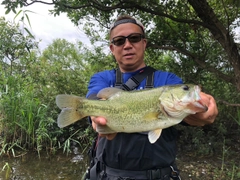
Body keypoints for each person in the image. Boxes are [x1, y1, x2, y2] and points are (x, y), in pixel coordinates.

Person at [85, 14, 218, 180]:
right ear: (112, 48)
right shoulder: (102, 78)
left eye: (134, 38)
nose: (127, 45)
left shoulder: (168, 81)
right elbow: (95, 101)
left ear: (144, 43)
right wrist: (96, 118)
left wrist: (204, 107)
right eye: (119, 41)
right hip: (107, 175)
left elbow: (202, 105)